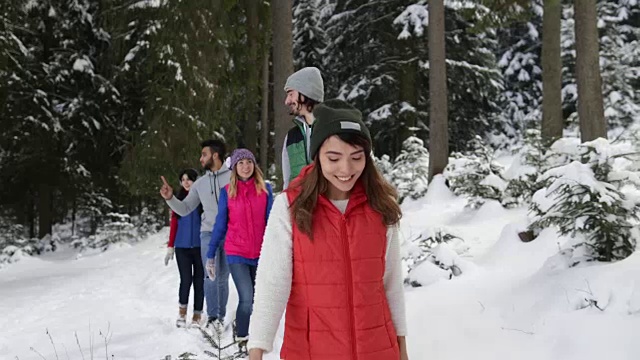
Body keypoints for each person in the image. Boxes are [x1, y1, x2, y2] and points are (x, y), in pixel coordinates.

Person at [247, 99, 409, 360]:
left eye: (357, 158)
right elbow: (272, 283)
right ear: (317, 155)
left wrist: (401, 348)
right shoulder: (290, 206)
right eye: (334, 158)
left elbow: (391, 285)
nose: (346, 170)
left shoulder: (381, 207)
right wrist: (256, 350)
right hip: (311, 351)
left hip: (377, 349)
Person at [160, 139, 231, 331]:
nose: (201, 159)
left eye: (204, 154)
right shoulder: (200, 183)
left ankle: (220, 317)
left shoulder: (233, 177)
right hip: (208, 233)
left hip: (231, 233)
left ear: (215, 155)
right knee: (210, 275)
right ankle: (212, 317)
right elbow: (184, 209)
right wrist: (170, 198)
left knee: (223, 277)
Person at [206, 148, 274, 347]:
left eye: (249, 162)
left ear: (254, 165)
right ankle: (243, 338)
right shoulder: (227, 192)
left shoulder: (265, 189)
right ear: (234, 168)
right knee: (247, 297)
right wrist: (210, 255)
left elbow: (271, 221)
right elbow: (220, 225)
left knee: (258, 300)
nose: (246, 166)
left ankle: (253, 333)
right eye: (241, 163)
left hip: (261, 253)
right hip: (236, 253)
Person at [164, 169, 204, 328]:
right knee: (186, 280)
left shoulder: (202, 200)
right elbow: (174, 225)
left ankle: (197, 315)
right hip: (182, 248)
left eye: (189, 179)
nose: (186, 182)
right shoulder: (177, 201)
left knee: (199, 281)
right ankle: (182, 313)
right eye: (183, 180)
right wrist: (170, 246)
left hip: (201, 247)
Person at [281, 66, 324, 189]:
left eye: (290, 94)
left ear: (306, 92)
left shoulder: (332, 129)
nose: (287, 101)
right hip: (300, 206)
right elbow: (287, 183)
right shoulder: (291, 137)